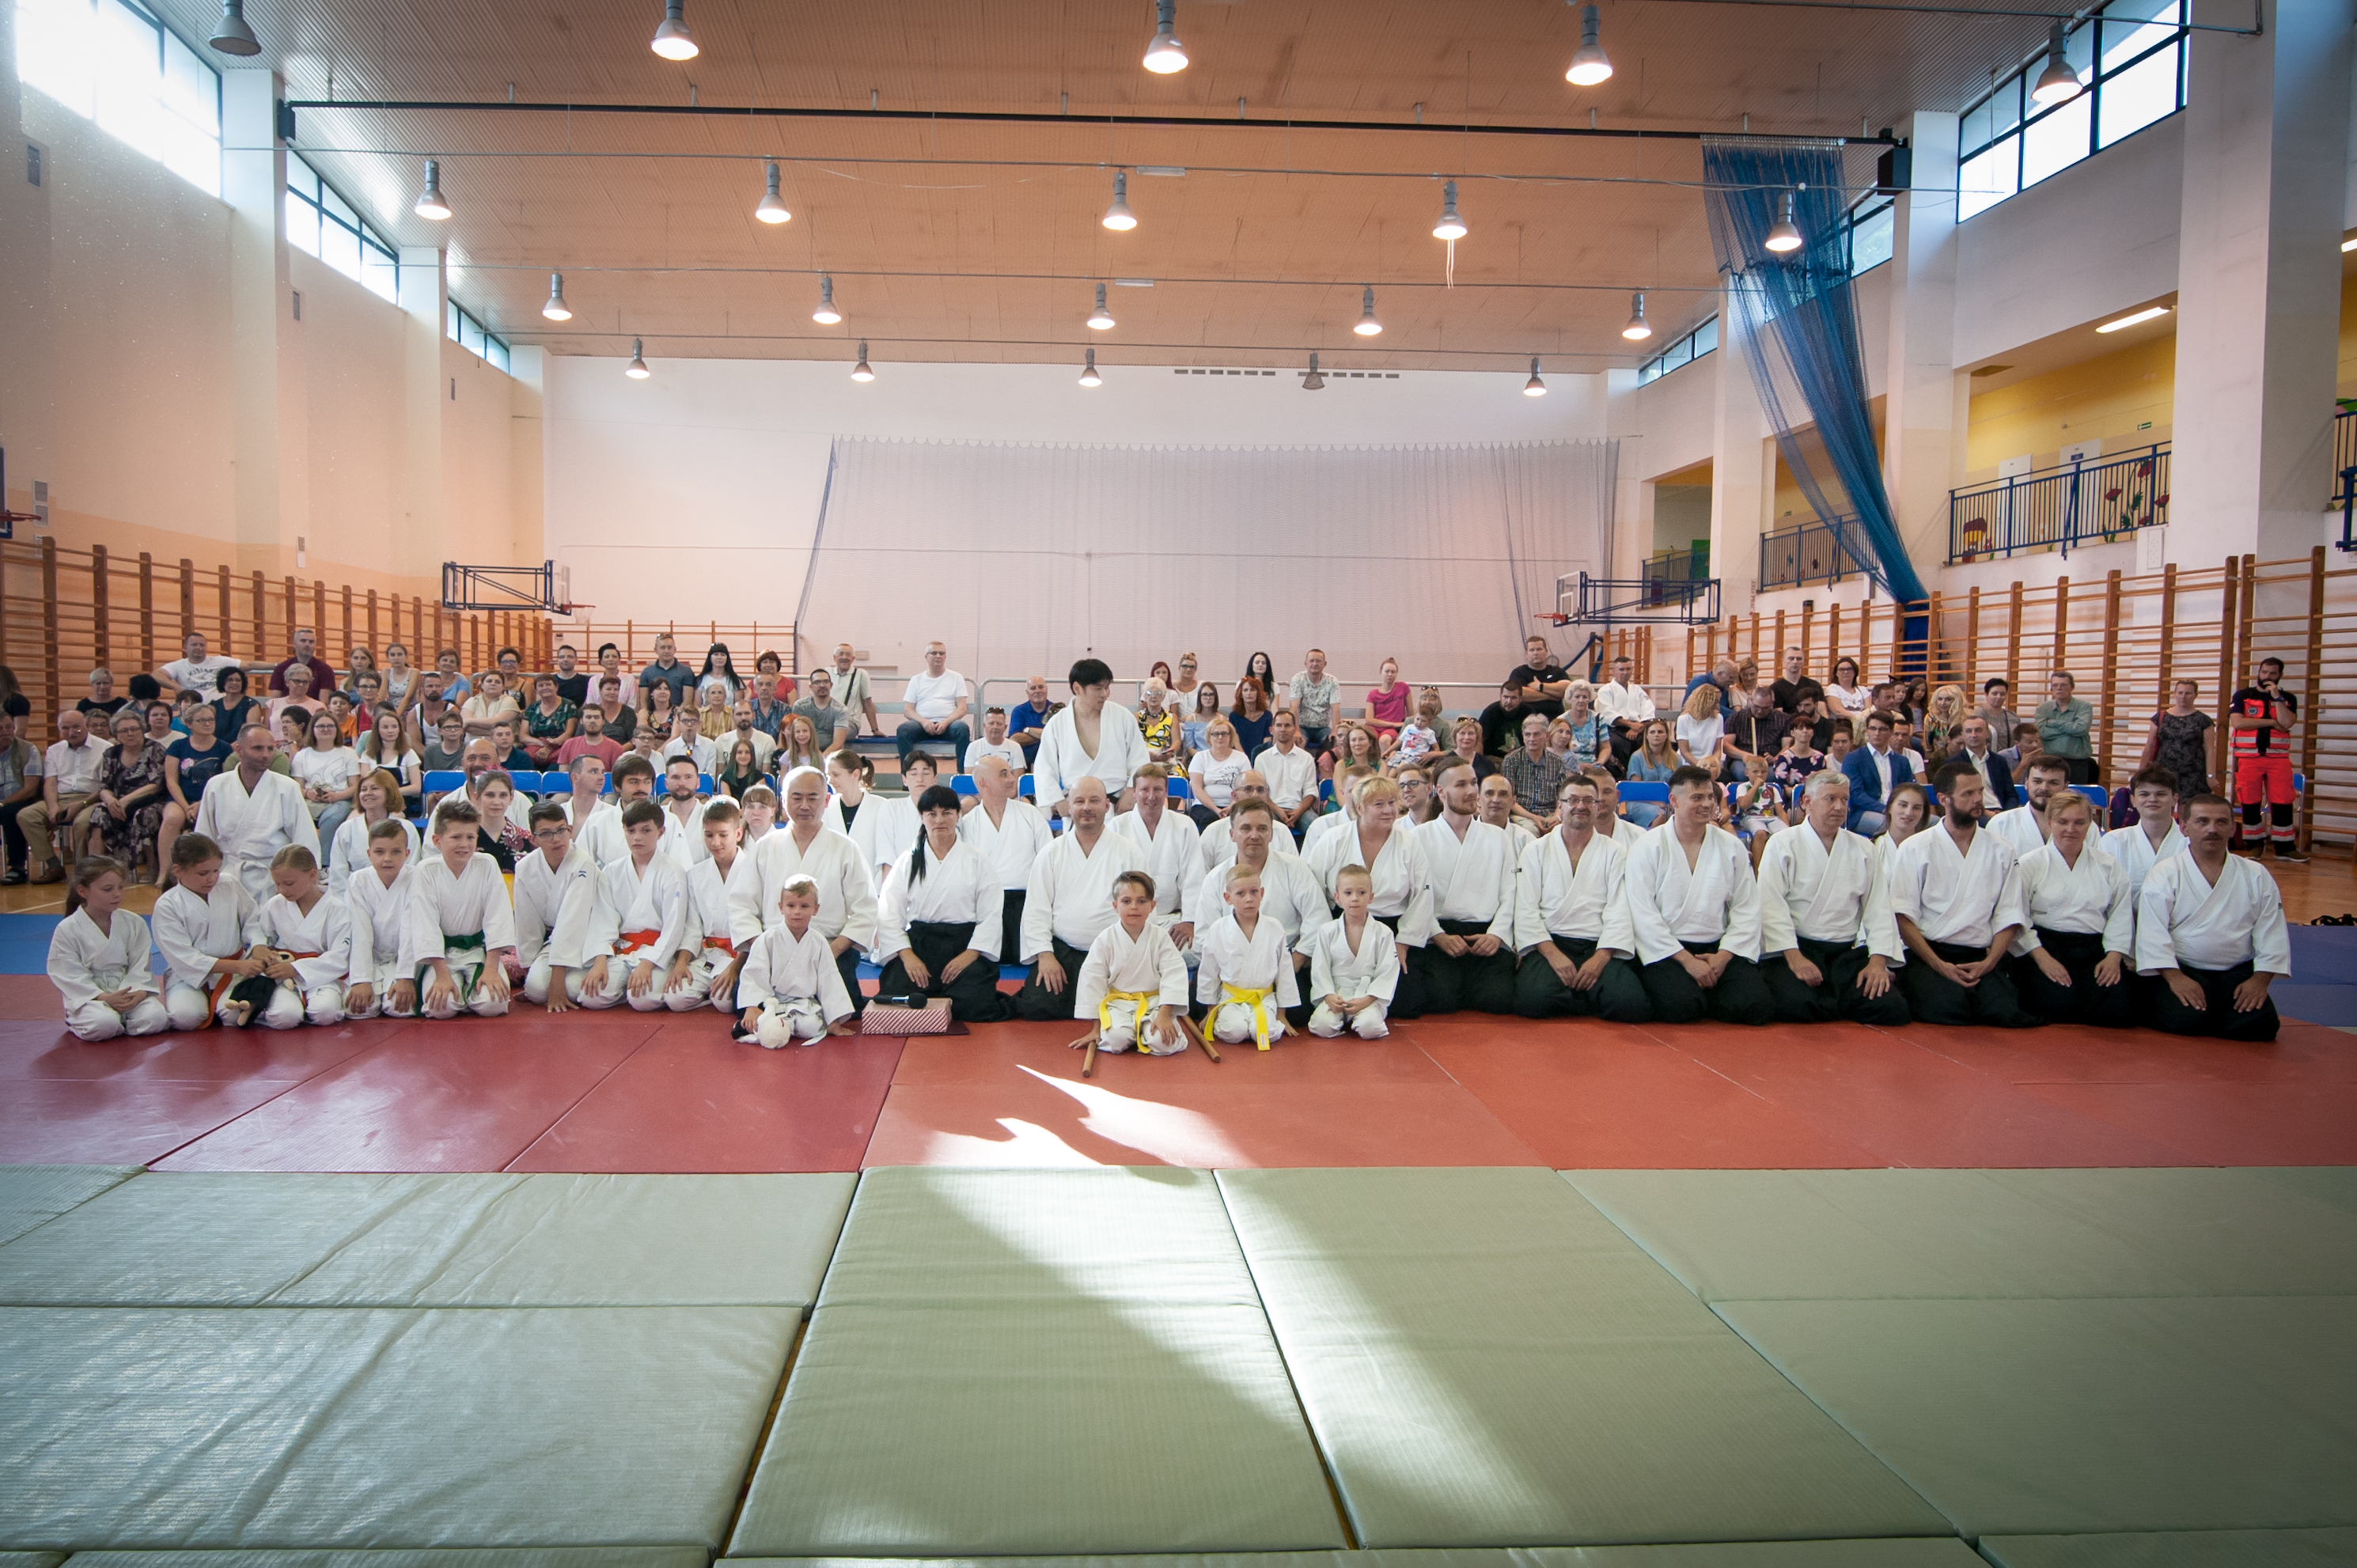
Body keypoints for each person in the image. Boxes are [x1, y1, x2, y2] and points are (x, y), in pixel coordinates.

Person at [1886, 762, 2037, 1028]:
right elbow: (1902, 916)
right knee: (1949, 1009)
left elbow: (2010, 914)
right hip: (1930, 953)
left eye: (1979, 792)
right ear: (1943, 799)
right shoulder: (1915, 848)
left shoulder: (2002, 850)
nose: (1977, 799)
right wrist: (1939, 965)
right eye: (1967, 794)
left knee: (2004, 1011)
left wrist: (1989, 963)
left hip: (1980, 954)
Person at [1619, 767, 1773, 1026]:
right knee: (1681, 1007)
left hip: (1719, 948)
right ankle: (1697, 992)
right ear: (1674, 801)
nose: (1707, 804)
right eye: (1697, 798)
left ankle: (1708, 989)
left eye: (1710, 797)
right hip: (1668, 951)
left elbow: (1746, 907)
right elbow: (1642, 913)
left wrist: (1723, 957)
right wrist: (1687, 961)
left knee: (1756, 1006)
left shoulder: (1731, 846)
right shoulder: (1647, 847)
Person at [1754, 771, 1907, 1026]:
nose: (1839, 807)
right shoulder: (1782, 844)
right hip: (1796, 948)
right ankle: (1836, 1001)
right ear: (1806, 802)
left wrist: (1878, 962)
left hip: (1846, 954)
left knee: (1891, 1008)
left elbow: (1878, 908)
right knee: (1796, 1005)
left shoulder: (1864, 848)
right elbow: (1770, 906)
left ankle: (1834, 999)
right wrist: (1795, 958)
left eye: (1844, 800)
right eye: (1830, 799)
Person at [2135, 793, 2289, 1041]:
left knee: (2262, 1026)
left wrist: (2260, 980)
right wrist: (2175, 978)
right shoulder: (2166, 873)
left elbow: (2272, 930)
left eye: (2221, 822)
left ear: (2232, 828)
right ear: (2184, 828)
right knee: (2184, 1020)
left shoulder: (2256, 874)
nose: (2212, 829)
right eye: (2202, 821)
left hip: (2236, 973)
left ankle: (2214, 1014)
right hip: (2184, 968)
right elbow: (2152, 931)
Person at [1510, 773, 1650, 1022]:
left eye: (1588, 801)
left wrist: (1601, 958)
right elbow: (1526, 909)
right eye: (1573, 800)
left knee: (1631, 1005)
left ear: (1597, 807)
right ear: (1560, 806)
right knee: (1532, 1001)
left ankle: (1576, 992)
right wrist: (1553, 955)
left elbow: (1619, 909)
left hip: (1598, 945)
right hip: (1551, 943)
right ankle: (1590, 995)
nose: (1581, 806)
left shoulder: (1615, 852)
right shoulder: (1535, 850)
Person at [1014, 777, 1149, 1021]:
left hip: (1115, 952)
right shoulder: (1050, 853)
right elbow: (1036, 910)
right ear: (1069, 806)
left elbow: (1143, 910)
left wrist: (1134, 958)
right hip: (1063, 952)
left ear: (1106, 806)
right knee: (1036, 1005)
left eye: (1094, 801)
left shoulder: (1129, 852)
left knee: (1126, 1007)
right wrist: (1045, 956)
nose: (1086, 807)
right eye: (1079, 801)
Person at [873, 784, 1010, 1023]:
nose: (939, 820)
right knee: (897, 997)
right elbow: (889, 913)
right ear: (921, 817)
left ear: (958, 815)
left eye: (947, 813)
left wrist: (969, 955)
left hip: (964, 945)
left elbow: (991, 914)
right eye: (932, 813)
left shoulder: (977, 859)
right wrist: (907, 956)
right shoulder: (908, 861)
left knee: (974, 1005)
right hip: (920, 945)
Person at [752, 765, 880, 1017]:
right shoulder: (765, 847)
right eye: (796, 798)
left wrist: (833, 950)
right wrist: (762, 950)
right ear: (783, 800)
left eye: (813, 798)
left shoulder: (845, 848)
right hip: (775, 948)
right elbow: (743, 905)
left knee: (843, 1008)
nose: (804, 806)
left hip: (830, 948)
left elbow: (866, 909)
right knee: (744, 1002)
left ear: (827, 800)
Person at [1306, 775, 1432, 1017]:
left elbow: (1422, 895)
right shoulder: (1334, 839)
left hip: (1391, 927)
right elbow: (1313, 890)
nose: (1389, 810)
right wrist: (1325, 936)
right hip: (1341, 924)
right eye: (1379, 804)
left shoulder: (1409, 842)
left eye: (1392, 803)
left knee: (1408, 1003)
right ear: (1360, 807)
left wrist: (1404, 942)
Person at [2007, 791, 2135, 1027]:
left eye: (2079, 822)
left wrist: (2114, 956)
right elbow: (2017, 917)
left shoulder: (2108, 865)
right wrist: (2042, 959)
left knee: (2117, 1008)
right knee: (2056, 1005)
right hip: (2044, 946)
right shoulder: (2030, 864)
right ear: (2050, 822)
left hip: (2093, 948)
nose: (2071, 829)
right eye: (2063, 822)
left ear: (2090, 824)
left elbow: (2120, 914)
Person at [1192, 797, 1327, 1014]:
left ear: (1271, 834)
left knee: (1300, 1010)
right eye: (1246, 828)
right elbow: (1204, 935)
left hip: (1285, 964)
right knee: (1196, 1001)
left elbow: (1317, 918)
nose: (1254, 835)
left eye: (1262, 828)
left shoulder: (1294, 868)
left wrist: (1293, 963)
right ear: (1232, 834)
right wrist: (1231, 974)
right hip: (1230, 970)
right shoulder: (1216, 878)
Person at [403, 798, 515, 1021]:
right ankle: (460, 991)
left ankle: (469, 992)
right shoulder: (426, 871)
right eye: (456, 837)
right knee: (440, 1008)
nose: (464, 844)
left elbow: (498, 917)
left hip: (479, 953)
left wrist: (491, 969)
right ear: (437, 840)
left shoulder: (487, 864)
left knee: (493, 1004)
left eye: (470, 837)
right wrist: (442, 975)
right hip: (442, 956)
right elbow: (425, 926)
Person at [575, 800, 690, 1013]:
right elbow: (602, 920)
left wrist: (648, 963)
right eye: (631, 831)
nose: (637, 837)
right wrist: (600, 960)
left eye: (646, 830)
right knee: (591, 997)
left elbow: (674, 927)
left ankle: (629, 987)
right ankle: (623, 988)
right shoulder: (612, 871)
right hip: (622, 950)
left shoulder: (673, 872)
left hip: (656, 952)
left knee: (643, 1000)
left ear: (661, 832)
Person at [191, 724, 320, 903]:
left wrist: (306, 879)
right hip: (228, 872)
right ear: (239, 750)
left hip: (274, 877)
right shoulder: (217, 785)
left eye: (270, 749)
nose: (266, 754)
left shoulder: (287, 787)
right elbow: (204, 836)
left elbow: (304, 836)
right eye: (258, 748)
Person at [1070, 870, 1191, 1057]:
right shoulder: (1105, 939)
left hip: (1154, 1004)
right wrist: (1096, 1028)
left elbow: (1174, 974)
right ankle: (1134, 1033)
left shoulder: (1160, 937)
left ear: (1152, 906)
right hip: (1118, 1005)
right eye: (1126, 901)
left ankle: (1147, 1031)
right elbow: (1092, 979)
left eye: (1141, 901)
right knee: (1115, 1040)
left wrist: (1165, 1015)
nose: (1134, 907)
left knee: (1163, 1042)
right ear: (1115, 906)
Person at [48, 855, 169, 1040]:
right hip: (91, 998)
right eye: (108, 889)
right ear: (82, 891)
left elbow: (140, 965)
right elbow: (68, 974)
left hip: (129, 991)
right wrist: (104, 997)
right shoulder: (67, 929)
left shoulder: (134, 922)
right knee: (104, 1024)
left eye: (121, 887)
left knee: (156, 1018)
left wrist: (139, 992)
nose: (117, 894)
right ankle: (93, 1019)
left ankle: (122, 1020)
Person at [152, 834, 264, 1030]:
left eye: (216, 870)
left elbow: (252, 920)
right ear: (177, 871)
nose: (212, 878)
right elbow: (183, 957)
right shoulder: (167, 905)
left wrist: (259, 944)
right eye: (203, 873)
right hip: (188, 975)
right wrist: (237, 966)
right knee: (185, 1017)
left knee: (234, 1015)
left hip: (235, 971)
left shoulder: (228, 884)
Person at [737, 874, 858, 1046]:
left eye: (804, 906)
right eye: (791, 905)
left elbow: (829, 979)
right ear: (781, 907)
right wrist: (752, 1007)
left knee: (812, 1026)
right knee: (765, 1021)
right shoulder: (768, 939)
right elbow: (754, 973)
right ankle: (774, 1027)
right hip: (773, 1003)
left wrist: (834, 1020)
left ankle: (778, 1028)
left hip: (804, 1006)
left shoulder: (819, 942)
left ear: (815, 909)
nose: (797, 912)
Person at [1195, 862, 1304, 1048]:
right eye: (1240, 893)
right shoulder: (1218, 929)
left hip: (1264, 998)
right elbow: (1209, 972)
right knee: (1234, 1031)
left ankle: (1267, 1021)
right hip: (1231, 998)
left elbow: (1284, 972)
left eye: (1254, 892)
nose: (1249, 899)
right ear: (1228, 898)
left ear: (1261, 893)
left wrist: (1281, 1015)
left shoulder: (1274, 927)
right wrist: (1211, 1010)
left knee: (1263, 1032)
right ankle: (1230, 1019)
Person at [960, 754, 1054, 964]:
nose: (1012, 779)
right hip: (987, 904)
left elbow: (1048, 862)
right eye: (1004, 774)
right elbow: (967, 874)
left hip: (1027, 902)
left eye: (1011, 772)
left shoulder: (1031, 815)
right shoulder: (969, 823)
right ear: (983, 783)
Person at [672, 797, 762, 1015]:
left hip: (739, 956)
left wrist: (735, 967)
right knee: (675, 999)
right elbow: (693, 927)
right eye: (709, 835)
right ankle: (707, 993)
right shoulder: (695, 874)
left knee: (724, 1002)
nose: (715, 842)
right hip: (708, 955)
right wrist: (681, 963)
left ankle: (715, 991)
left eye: (723, 835)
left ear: (738, 834)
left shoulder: (754, 871)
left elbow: (757, 928)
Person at [510, 801, 599, 1010]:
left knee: (575, 988)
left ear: (570, 830)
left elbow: (573, 921)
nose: (556, 839)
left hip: (589, 938)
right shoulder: (525, 867)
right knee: (537, 990)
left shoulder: (583, 864)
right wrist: (531, 972)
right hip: (553, 942)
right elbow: (527, 922)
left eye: (561, 830)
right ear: (533, 839)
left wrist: (557, 980)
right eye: (546, 834)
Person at [1032, 659, 1148, 817]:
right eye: (1098, 688)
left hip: (1117, 804)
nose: (1105, 694)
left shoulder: (1122, 717)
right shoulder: (1057, 723)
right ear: (1077, 688)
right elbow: (1043, 768)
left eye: (1107, 687)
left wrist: (1131, 792)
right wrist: (1058, 802)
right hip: (1076, 806)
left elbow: (1140, 760)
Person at [250, 846, 350, 1028]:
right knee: (284, 1017)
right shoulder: (274, 905)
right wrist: (262, 949)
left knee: (325, 1012)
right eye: (277, 884)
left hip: (320, 975)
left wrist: (296, 968)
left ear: (312, 875)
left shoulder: (337, 908)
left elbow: (339, 956)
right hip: (281, 976)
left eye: (289, 883)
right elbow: (263, 938)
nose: (282, 890)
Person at [1108, 764, 1203, 945]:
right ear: (1134, 792)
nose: (1151, 796)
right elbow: (1111, 881)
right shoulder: (1117, 827)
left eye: (1158, 790)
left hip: (1172, 920)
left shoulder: (1185, 826)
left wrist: (1189, 921)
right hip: (1127, 918)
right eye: (1145, 790)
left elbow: (1194, 877)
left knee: (1192, 949)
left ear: (1166, 792)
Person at [1304, 865, 1400, 1040]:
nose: (1355, 898)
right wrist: (1329, 995)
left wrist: (1368, 999)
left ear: (1371, 897)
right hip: (1337, 993)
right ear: (1337, 897)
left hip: (1367, 994)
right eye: (1348, 893)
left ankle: (1364, 1016)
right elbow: (1320, 968)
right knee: (1321, 1027)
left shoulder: (1383, 933)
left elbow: (1388, 971)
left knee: (1369, 1027)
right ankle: (1340, 1017)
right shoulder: (1327, 931)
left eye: (1361, 893)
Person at [2228, 656, 2302, 861]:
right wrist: (2270, 722)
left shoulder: (2288, 698)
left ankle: (2285, 847)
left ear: (2280, 675)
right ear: (2259, 672)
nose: (2267, 676)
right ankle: (2254, 845)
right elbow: (2238, 723)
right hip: (2248, 758)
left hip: (2278, 759)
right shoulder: (2243, 695)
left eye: (2272, 673)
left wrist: (2277, 698)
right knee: (2249, 800)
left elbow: (2286, 722)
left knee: (2283, 800)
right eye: (2264, 672)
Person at [85, 708, 166, 880]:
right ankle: (95, 869)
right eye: (124, 731)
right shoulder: (111, 753)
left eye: (134, 729)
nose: (130, 734)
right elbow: (104, 786)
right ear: (116, 734)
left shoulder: (155, 749)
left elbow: (156, 785)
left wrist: (125, 801)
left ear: (142, 729)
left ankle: (153, 866)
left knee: (144, 815)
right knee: (99, 813)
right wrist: (110, 801)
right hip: (118, 801)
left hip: (149, 800)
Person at [2101, 765, 2188, 904]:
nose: (2152, 799)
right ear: (2133, 800)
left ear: (2174, 799)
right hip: (2126, 916)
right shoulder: (2114, 841)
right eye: (2144, 794)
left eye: (2161, 794)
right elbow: (2103, 894)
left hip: (2177, 917)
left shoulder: (2190, 842)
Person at [325, 769, 416, 895]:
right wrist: (346, 902)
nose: (368, 793)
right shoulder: (346, 829)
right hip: (355, 897)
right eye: (363, 789)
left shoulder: (407, 828)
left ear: (389, 792)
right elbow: (338, 875)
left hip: (399, 897)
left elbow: (412, 869)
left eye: (374, 788)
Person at [290, 710, 363, 846]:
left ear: (337, 729)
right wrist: (308, 793)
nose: (326, 729)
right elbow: (297, 787)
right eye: (321, 726)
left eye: (330, 726)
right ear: (313, 729)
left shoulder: (349, 753)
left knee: (334, 816)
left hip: (340, 800)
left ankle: (323, 857)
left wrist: (336, 796)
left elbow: (355, 786)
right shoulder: (302, 756)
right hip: (310, 800)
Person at [892, 642, 971, 767]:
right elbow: (908, 710)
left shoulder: (957, 678)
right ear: (926, 657)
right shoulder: (916, 680)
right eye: (934, 653)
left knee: (962, 728)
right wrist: (924, 722)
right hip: (921, 726)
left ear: (945, 657)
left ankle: (962, 773)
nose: (938, 656)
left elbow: (962, 708)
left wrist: (945, 722)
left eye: (941, 653)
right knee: (904, 729)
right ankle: (907, 773)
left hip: (949, 725)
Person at [1838, 711, 1913, 835]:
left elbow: (1908, 791)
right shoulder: (1853, 758)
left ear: (1891, 732)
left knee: (1934, 822)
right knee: (1896, 825)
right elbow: (1856, 794)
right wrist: (1885, 809)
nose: (1877, 733)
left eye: (1882, 729)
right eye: (1873, 729)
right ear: (1867, 731)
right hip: (1863, 812)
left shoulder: (1902, 761)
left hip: (1899, 811)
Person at [2139, 679, 2212, 799]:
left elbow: (2210, 750)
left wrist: (2210, 776)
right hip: (2164, 771)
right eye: (2180, 693)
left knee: (2188, 807)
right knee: (2164, 804)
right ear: (2175, 694)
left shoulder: (2204, 720)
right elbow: (2149, 746)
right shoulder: (2160, 717)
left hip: (2193, 773)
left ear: (2195, 695)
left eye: (2188, 693)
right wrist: (2140, 772)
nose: (2183, 697)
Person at [1499, 710, 1569, 833]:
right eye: (1528, 734)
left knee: (1562, 829)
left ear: (1547, 736)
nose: (1532, 739)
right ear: (1523, 736)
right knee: (1530, 830)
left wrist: (1557, 817)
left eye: (1536, 734)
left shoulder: (1558, 762)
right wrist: (1534, 818)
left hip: (1550, 814)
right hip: (1522, 815)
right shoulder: (1511, 760)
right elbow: (1510, 800)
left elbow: (1564, 797)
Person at [1989, 756, 2070, 858]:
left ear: (2065, 787)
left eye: (2053, 783)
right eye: (2037, 781)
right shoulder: (2001, 823)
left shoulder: (2081, 825)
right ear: (2026, 783)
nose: (2044, 788)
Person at [1256, 710, 1319, 838]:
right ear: (1272, 729)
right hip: (1271, 809)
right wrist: (1278, 810)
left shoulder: (1306, 758)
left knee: (1318, 828)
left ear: (1295, 729)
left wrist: (1298, 812)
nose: (1283, 729)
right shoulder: (1262, 759)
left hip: (1300, 810)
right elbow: (1260, 792)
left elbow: (1311, 792)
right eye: (1279, 725)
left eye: (1287, 725)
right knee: (1262, 827)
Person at [2033, 671, 2096, 787]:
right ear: (2051, 688)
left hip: (2077, 763)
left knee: (2074, 795)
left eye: (2063, 685)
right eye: (2055, 685)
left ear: (2072, 687)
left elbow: (2081, 729)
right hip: (2049, 762)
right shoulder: (2043, 708)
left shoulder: (2084, 706)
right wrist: (2070, 728)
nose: (2059, 688)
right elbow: (2041, 732)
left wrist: (2052, 723)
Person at [1184, 719, 1249, 828]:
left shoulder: (1241, 758)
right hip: (1204, 806)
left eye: (1224, 734)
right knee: (1210, 818)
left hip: (1235, 805)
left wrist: (1230, 808)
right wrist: (1216, 810)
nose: (1220, 737)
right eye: (1215, 734)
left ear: (1230, 736)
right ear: (1209, 737)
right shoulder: (1200, 757)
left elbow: (1246, 788)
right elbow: (1197, 789)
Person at [467, 771, 534, 873]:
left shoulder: (526, 839)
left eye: (503, 795)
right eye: (490, 795)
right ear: (477, 797)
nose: (496, 802)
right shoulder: (466, 837)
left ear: (511, 798)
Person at [1947, 715, 2018, 813]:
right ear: (1963, 735)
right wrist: (1987, 814)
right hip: (1971, 814)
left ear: (1987, 733)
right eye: (1968, 731)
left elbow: (2011, 795)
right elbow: (1954, 799)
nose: (1973, 735)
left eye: (1978, 730)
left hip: (2001, 811)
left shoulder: (1999, 761)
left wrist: (2005, 814)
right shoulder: (1953, 764)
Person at [1725, 685, 1789, 782]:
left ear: (1772, 703)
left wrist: (1776, 758)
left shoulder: (1783, 719)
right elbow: (1726, 745)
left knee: (1772, 776)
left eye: (1765, 708)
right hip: (1742, 760)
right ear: (1751, 700)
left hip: (1770, 762)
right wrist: (1745, 756)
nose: (1760, 711)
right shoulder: (1736, 718)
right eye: (1756, 707)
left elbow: (1787, 746)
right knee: (1743, 774)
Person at [1286, 649, 1341, 756]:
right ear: (1305, 664)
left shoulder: (1332, 681)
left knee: (1332, 742)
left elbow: (1335, 708)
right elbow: (1294, 707)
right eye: (1311, 661)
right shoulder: (1298, 679)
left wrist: (1335, 730)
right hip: (1302, 726)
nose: (1314, 664)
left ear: (1324, 664)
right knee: (1297, 742)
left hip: (1323, 727)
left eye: (1318, 661)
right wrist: (1296, 730)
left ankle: (1323, 765)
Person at [158, 632, 242, 703]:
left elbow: (247, 665)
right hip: (192, 710)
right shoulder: (178, 665)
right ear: (185, 648)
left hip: (219, 708)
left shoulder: (220, 661)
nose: (199, 648)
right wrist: (175, 687)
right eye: (194, 645)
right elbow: (157, 675)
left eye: (202, 645)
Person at [518, 674, 578, 767]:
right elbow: (523, 736)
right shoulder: (532, 708)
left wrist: (550, 746)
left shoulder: (569, 705)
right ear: (536, 690)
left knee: (554, 768)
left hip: (560, 748)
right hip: (536, 748)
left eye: (548, 684)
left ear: (556, 687)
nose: (545, 688)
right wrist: (543, 744)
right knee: (526, 764)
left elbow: (569, 733)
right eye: (541, 685)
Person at [1506, 634, 1571, 720]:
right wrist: (1551, 695)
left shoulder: (1557, 671)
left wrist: (1540, 686)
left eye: (1539, 649)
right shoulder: (1519, 672)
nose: (1536, 653)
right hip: (1527, 721)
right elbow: (1518, 694)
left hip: (1555, 721)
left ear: (1546, 651)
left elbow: (1567, 688)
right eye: (1532, 650)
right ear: (1526, 654)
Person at [789, 668, 852, 755]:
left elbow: (838, 743)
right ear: (811, 687)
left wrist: (821, 758)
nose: (822, 685)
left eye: (826, 682)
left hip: (831, 755)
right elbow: (796, 736)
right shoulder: (800, 706)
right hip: (805, 753)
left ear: (831, 685)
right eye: (817, 682)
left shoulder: (840, 709)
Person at [554, 703, 625, 776]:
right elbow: (563, 777)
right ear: (581, 721)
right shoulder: (568, 745)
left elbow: (617, 778)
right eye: (588, 717)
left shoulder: (616, 748)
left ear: (603, 721)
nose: (592, 721)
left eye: (597, 717)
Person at [1674, 683, 1727, 780]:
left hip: (1710, 764)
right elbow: (1684, 751)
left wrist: (1713, 765)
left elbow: (1718, 749)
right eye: (1715, 702)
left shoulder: (1718, 718)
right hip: (1689, 764)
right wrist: (1701, 767)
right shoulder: (1684, 719)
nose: (1718, 706)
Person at [828, 643, 883, 737]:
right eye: (841, 654)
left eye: (848, 654)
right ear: (834, 657)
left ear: (853, 659)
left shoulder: (861, 674)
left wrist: (875, 730)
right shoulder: (827, 672)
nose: (844, 657)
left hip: (850, 722)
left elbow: (867, 702)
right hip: (828, 721)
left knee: (834, 734)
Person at [268, 627, 336, 698]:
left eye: (311, 642)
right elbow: (274, 700)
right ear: (294, 644)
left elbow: (324, 702)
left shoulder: (325, 670)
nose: (307, 644)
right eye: (303, 641)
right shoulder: (281, 668)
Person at [1009, 676, 1059, 767]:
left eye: (1041, 687)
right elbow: (1015, 739)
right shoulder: (1019, 711)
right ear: (1027, 692)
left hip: (1052, 762)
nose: (1037, 691)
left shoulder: (1057, 710)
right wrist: (1048, 735)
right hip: (1025, 763)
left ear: (1046, 689)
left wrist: (1029, 730)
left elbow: (1061, 736)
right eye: (1033, 688)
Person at [638, 634, 694, 712]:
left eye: (669, 647)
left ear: (675, 650)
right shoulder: (647, 672)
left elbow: (687, 701)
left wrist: (675, 716)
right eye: (663, 648)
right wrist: (649, 716)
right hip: (652, 716)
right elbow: (643, 702)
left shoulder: (686, 672)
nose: (666, 651)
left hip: (678, 715)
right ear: (656, 650)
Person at [1364, 657, 1411, 749]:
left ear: (1396, 673)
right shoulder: (1373, 694)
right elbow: (1369, 719)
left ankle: (1385, 759)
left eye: (1393, 672)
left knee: (1384, 740)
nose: (1390, 674)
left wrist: (1405, 726)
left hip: (1392, 730)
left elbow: (1411, 712)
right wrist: (1393, 724)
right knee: (1366, 738)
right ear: (1380, 672)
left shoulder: (1403, 688)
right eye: (1387, 671)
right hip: (1376, 727)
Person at [460, 670, 520, 741]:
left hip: (500, 746)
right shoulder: (472, 701)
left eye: (497, 682)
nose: (493, 684)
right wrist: (497, 733)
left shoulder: (510, 701)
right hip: (471, 745)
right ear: (482, 685)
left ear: (503, 687)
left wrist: (469, 721)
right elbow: (466, 727)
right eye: (489, 681)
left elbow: (497, 723)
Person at [1476, 682, 1531, 759]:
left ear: (1520, 699)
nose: (1509, 701)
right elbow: (1479, 739)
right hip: (1495, 758)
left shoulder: (1528, 711)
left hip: (1522, 758)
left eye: (1514, 698)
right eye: (1506, 697)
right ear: (1500, 696)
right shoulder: (1491, 712)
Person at [964, 707, 1025, 775]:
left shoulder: (1015, 747)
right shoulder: (973, 747)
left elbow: (1018, 778)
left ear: (1005, 727)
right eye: (991, 723)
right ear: (984, 726)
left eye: (999, 724)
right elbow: (969, 776)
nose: (995, 727)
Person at [1392, 689, 1442, 771]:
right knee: (1389, 766)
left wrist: (1434, 755)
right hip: (1404, 754)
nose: (1427, 702)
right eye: (1424, 699)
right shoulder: (1409, 723)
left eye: (1432, 699)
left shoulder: (1442, 725)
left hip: (1419, 757)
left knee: (1400, 768)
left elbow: (1448, 748)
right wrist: (1390, 751)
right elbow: (1400, 741)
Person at [658, 712, 716, 779]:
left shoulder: (709, 745)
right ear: (679, 723)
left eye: (693, 721)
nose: (689, 725)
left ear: (699, 724)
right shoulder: (670, 747)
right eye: (685, 721)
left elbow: (710, 777)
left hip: (702, 784)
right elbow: (668, 775)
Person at [1136, 680, 1180, 767]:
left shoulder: (1172, 717)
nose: (1153, 696)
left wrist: (1169, 753)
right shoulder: (1136, 717)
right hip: (1143, 758)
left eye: (1158, 693)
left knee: (1178, 773)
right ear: (1145, 696)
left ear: (1163, 697)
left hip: (1165, 758)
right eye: (1149, 693)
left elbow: (1177, 741)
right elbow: (1132, 742)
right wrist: (1146, 754)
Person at [1229, 677, 1276, 757]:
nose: (1249, 693)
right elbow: (1235, 741)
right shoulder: (1233, 716)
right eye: (1245, 690)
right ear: (1241, 694)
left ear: (1258, 693)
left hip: (1261, 757)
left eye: (1252, 690)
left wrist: (1258, 758)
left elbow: (1267, 741)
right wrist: (1244, 759)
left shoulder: (1267, 716)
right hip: (1240, 757)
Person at [774, 714, 828, 779]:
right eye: (798, 732)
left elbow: (823, 778)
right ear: (793, 734)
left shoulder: (819, 756)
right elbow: (782, 780)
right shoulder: (788, 756)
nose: (801, 734)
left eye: (805, 731)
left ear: (811, 732)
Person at [716, 737, 765, 804]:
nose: (743, 756)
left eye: (747, 752)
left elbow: (758, 801)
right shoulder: (726, 777)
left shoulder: (759, 777)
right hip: (732, 810)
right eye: (739, 752)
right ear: (734, 755)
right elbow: (728, 803)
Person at [1977, 677, 2022, 744]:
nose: (1999, 697)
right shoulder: (1978, 715)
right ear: (1986, 694)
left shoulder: (2012, 716)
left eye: (2002, 694)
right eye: (1995, 694)